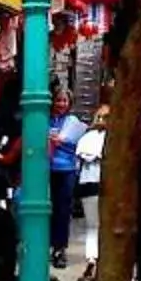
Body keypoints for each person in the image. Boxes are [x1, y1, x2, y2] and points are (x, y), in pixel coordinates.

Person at [47, 90, 89, 267]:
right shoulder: (45, 120)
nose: (61, 104)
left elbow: (79, 146)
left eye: (64, 101)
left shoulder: (74, 123)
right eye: (58, 100)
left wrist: (61, 142)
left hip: (67, 169)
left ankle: (59, 248)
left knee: (63, 210)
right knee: (46, 211)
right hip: (46, 169)